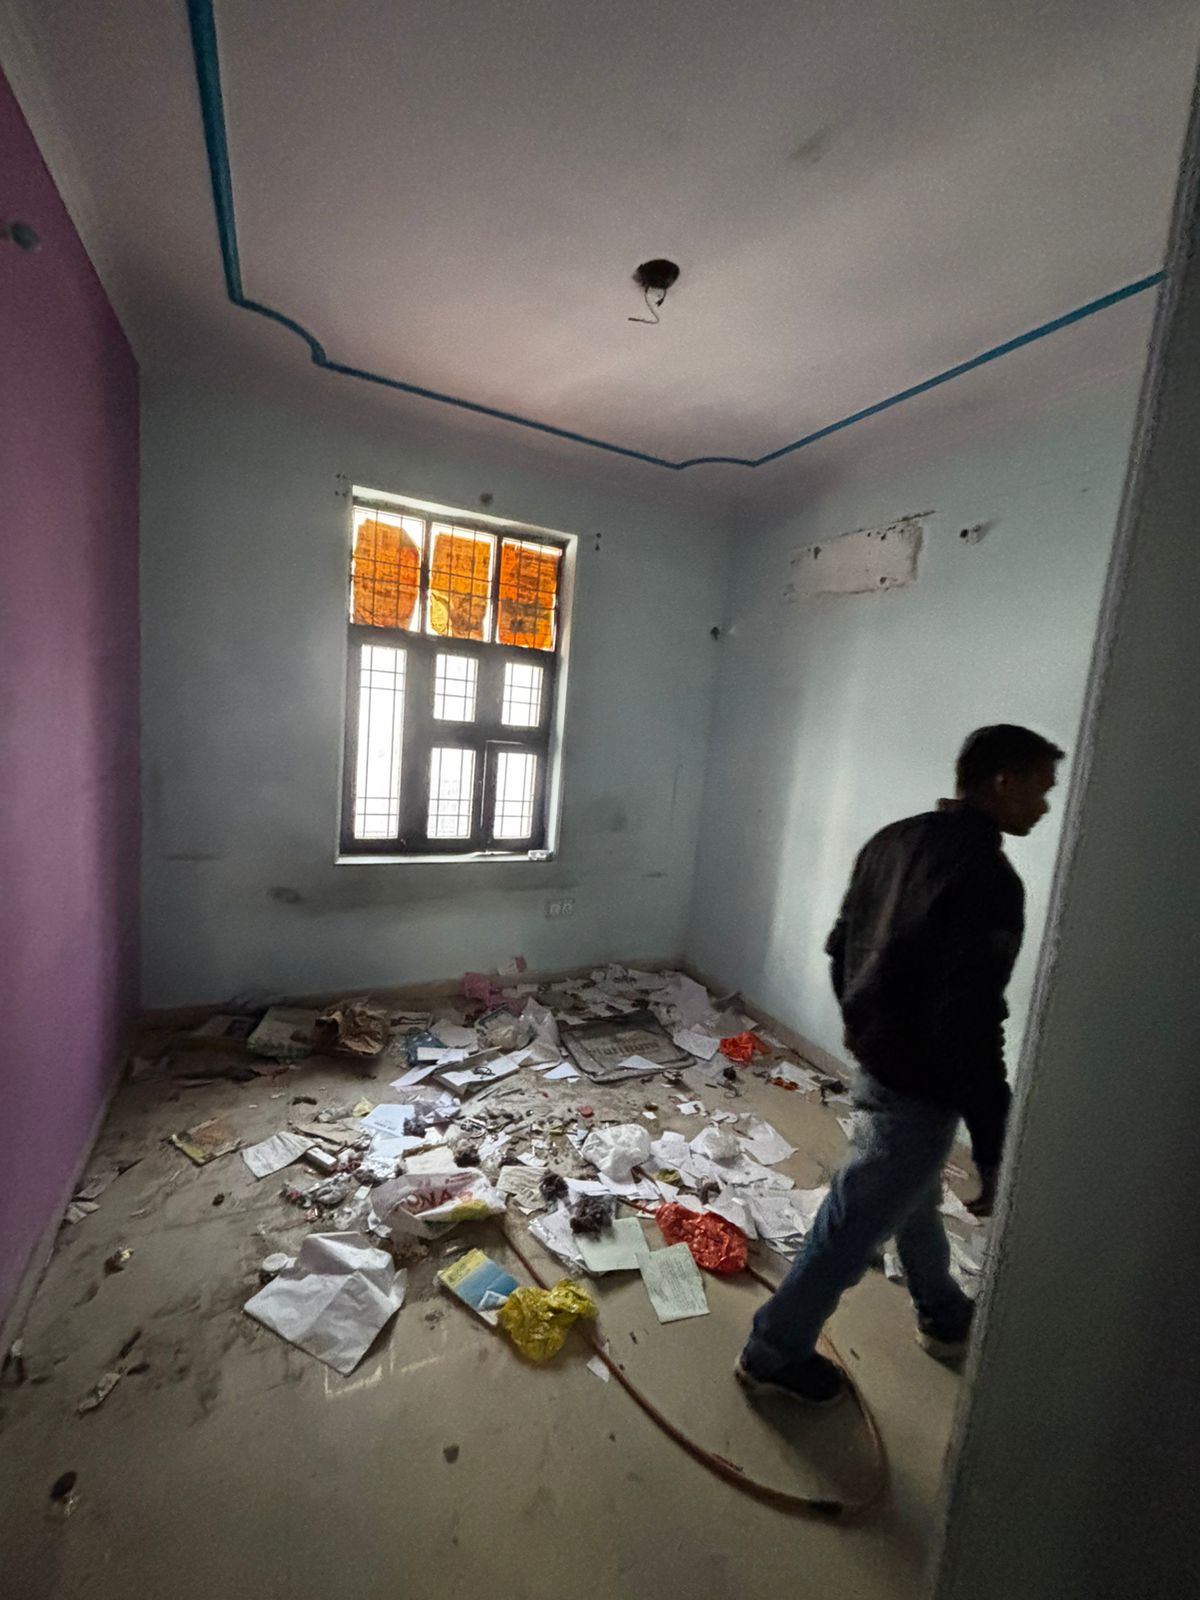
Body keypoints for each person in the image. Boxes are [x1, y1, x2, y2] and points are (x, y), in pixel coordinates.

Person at [736, 724, 1064, 1405]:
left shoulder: (893, 840)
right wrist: (993, 1143)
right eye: (1039, 789)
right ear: (1002, 781)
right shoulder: (989, 878)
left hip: (881, 1057)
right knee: (855, 1219)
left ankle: (942, 1311)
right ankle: (773, 1352)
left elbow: (840, 946)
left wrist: (859, 1024)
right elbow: (972, 1017)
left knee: (909, 1193)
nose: (1045, 806)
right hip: (922, 1081)